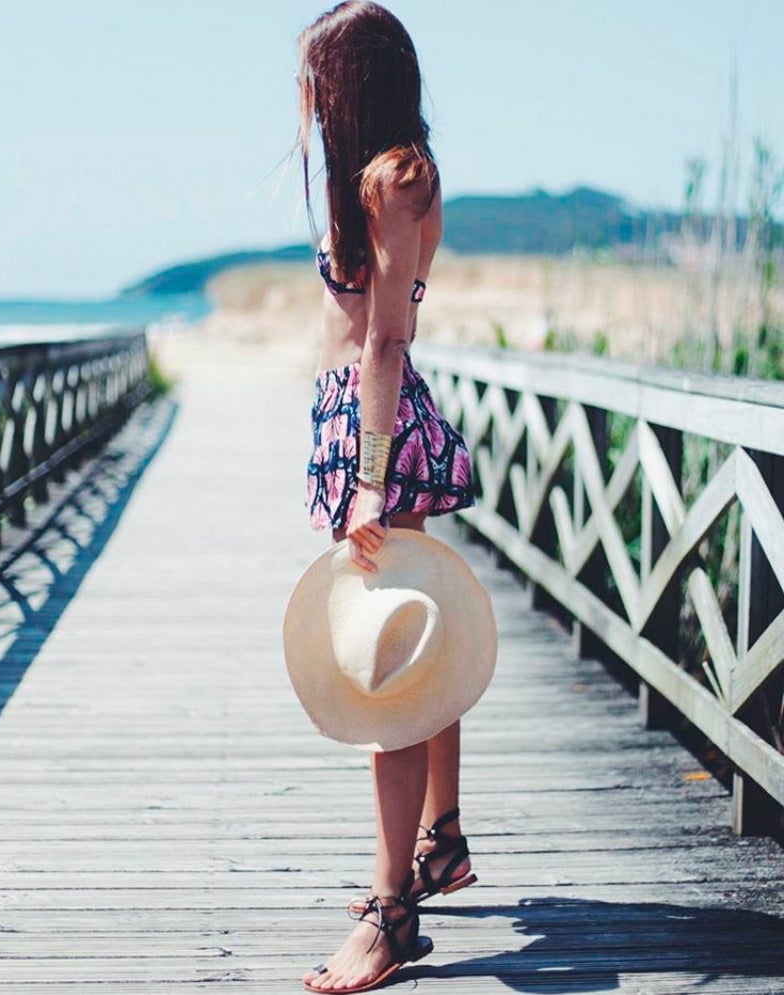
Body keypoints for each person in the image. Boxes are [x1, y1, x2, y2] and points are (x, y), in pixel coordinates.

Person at [297, 3, 479, 991]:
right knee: (418, 634)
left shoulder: (394, 178)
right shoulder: (375, 173)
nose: (306, 102)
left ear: (348, 86)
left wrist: (367, 478)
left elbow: (383, 341)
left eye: (316, 83)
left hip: (378, 432)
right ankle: (439, 837)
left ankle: (389, 907)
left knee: (388, 672)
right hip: (360, 425)